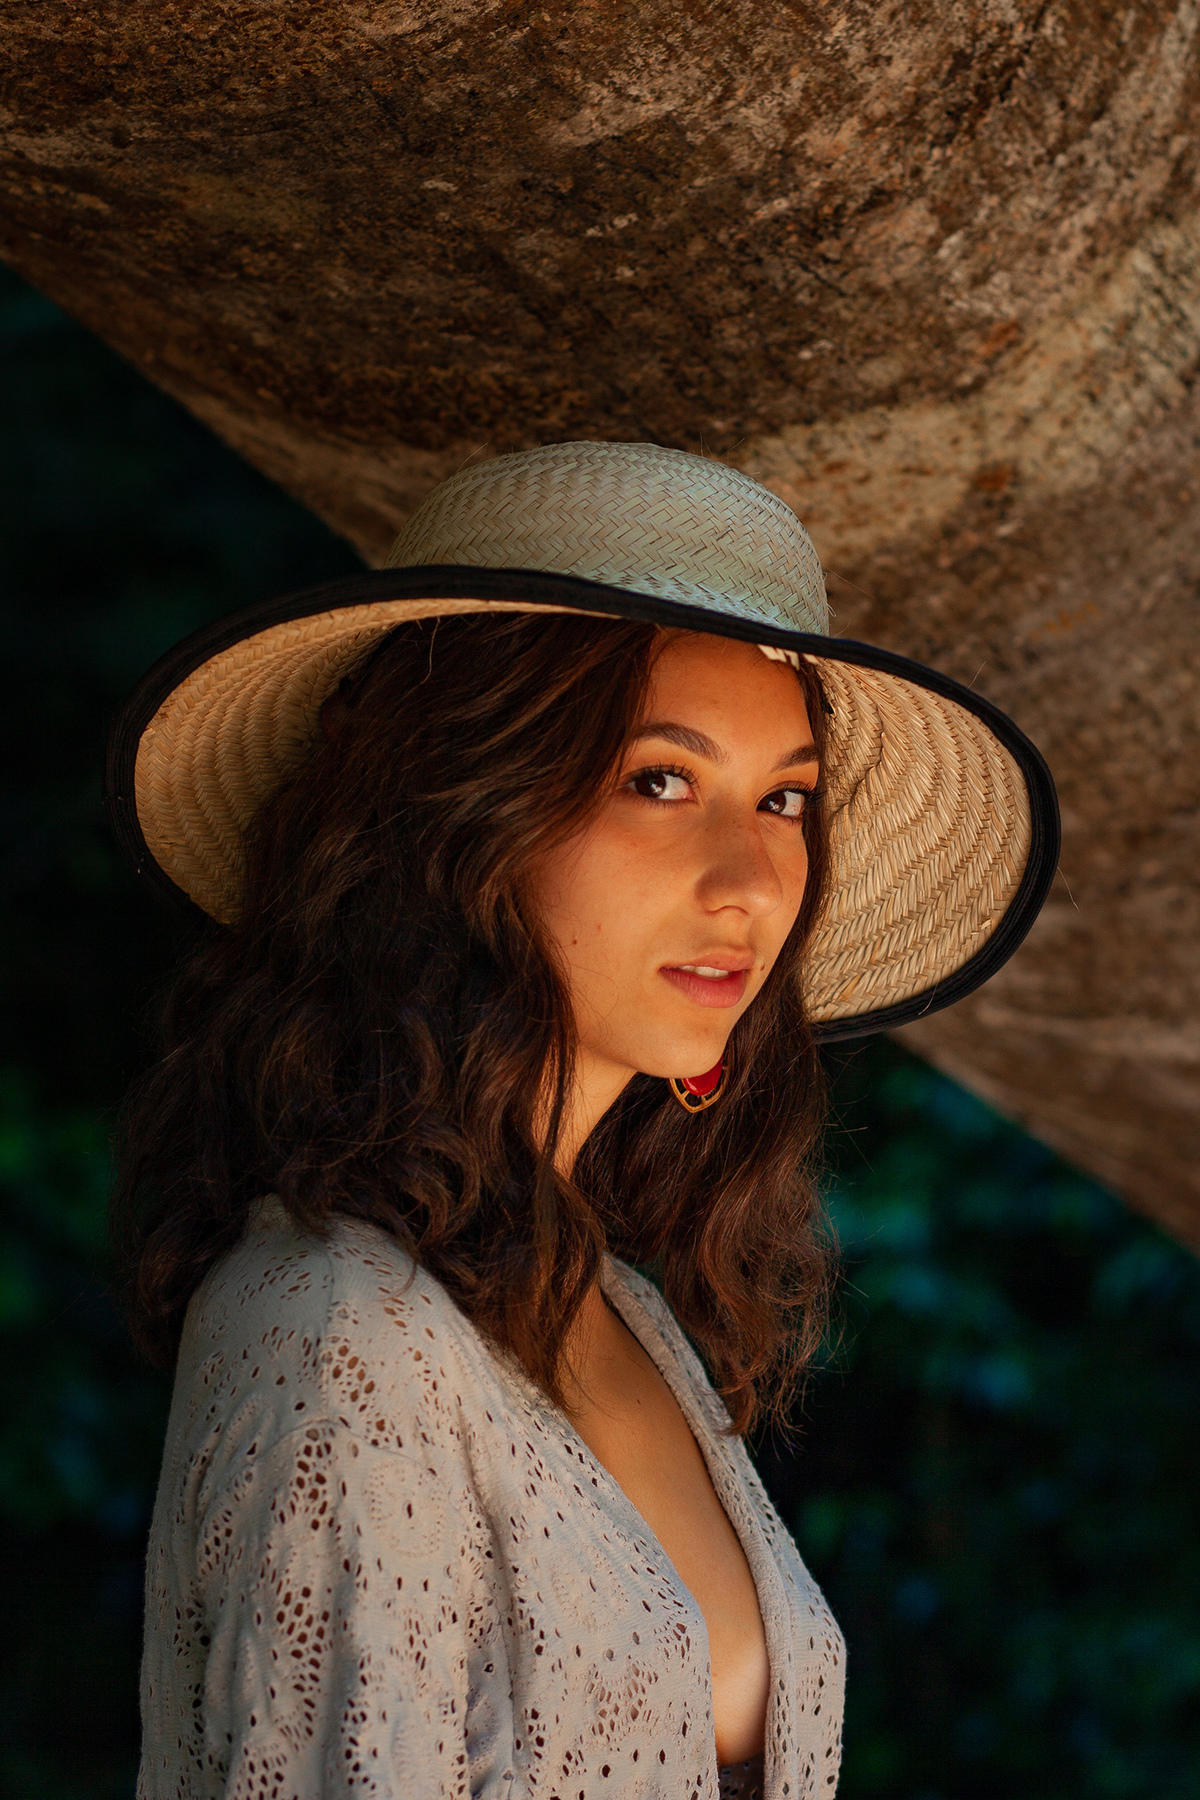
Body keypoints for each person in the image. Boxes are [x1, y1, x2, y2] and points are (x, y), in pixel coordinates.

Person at [107, 441, 1057, 1800]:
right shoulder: (338, 1334)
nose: (750, 881)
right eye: (659, 779)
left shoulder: (623, 1306)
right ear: (458, 815)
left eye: (785, 799)